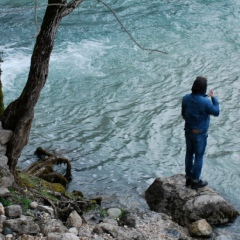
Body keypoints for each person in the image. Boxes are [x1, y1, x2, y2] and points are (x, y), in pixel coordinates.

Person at [181, 76, 220, 189]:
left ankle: (188, 178)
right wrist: (214, 98)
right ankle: (195, 181)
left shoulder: (186, 98)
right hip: (199, 133)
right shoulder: (206, 102)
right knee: (198, 156)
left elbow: (183, 114)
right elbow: (216, 112)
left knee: (189, 153)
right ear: (204, 88)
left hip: (188, 130)